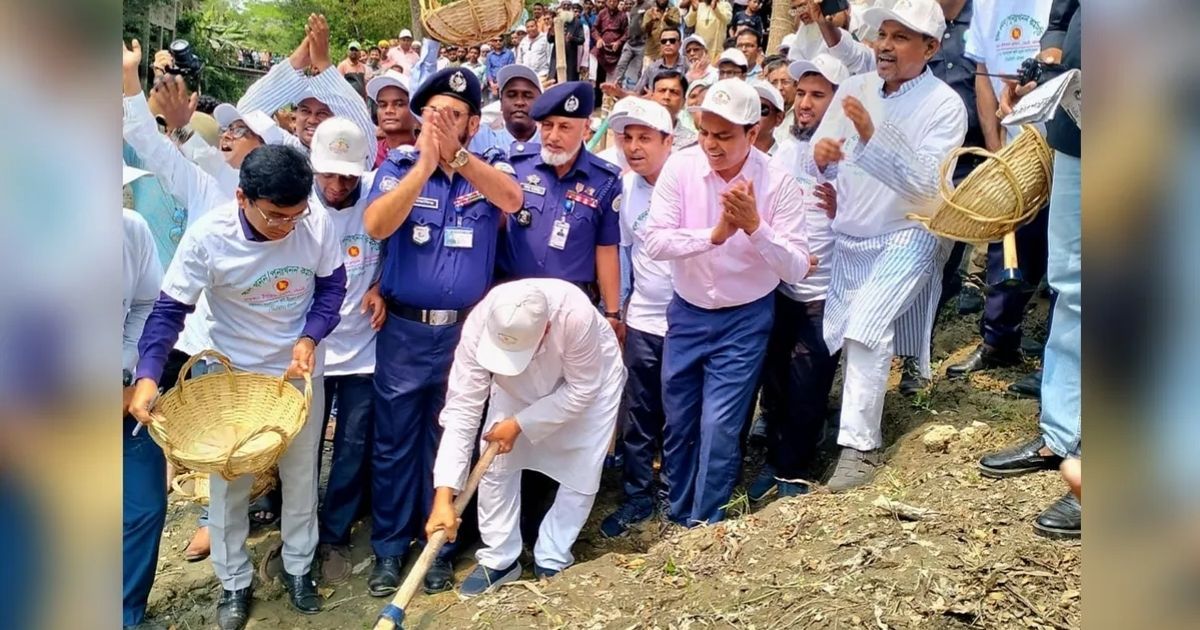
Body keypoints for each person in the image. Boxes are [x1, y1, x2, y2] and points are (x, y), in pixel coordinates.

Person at [128, 145, 346, 630]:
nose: (287, 226)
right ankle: (233, 583)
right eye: (275, 217)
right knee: (228, 485)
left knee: (300, 475)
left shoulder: (315, 224)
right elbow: (168, 312)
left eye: (296, 215)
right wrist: (147, 377)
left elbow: (333, 287)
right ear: (242, 197)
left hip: (298, 372)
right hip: (233, 379)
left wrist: (310, 337)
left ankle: (298, 567)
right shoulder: (209, 237)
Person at [361, 67, 523, 596]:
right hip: (405, 333)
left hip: (464, 339)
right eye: (432, 114)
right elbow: (377, 225)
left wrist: (457, 159)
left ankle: (439, 548)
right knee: (393, 443)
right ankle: (388, 549)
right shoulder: (401, 165)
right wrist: (425, 165)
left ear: (474, 124)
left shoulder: (488, 168)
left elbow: (513, 200)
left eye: (454, 115)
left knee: (447, 441)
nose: (441, 123)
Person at [804, 0, 967, 491]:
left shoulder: (945, 105)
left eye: (900, 37)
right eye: (883, 35)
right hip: (852, 233)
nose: (886, 46)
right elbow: (824, 157)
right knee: (853, 331)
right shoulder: (854, 87)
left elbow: (928, 187)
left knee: (866, 326)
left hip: (910, 230)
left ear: (931, 47)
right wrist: (825, 157)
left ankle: (858, 449)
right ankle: (871, 403)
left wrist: (872, 136)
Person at [642, 79, 812, 526]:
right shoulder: (680, 169)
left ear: (753, 134)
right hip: (687, 311)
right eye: (704, 132)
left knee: (719, 426)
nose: (711, 146)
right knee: (679, 421)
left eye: (724, 136)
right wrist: (713, 236)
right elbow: (654, 241)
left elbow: (796, 267)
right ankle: (676, 515)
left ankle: (705, 522)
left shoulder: (777, 182)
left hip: (745, 318)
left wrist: (756, 227)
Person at [424, 279, 626, 596]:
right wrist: (443, 496)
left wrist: (521, 423)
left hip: (588, 383)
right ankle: (500, 558)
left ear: (545, 329)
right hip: (514, 385)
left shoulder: (574, 315)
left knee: (581, 466)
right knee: (495, 461)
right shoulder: (483, 320)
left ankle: (553, 556)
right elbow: (462, 407)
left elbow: (582, 390)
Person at [977, 0, 1081, 540]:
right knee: (1072, 286)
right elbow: (1063, 15)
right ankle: (1062, 436)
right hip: (1079, 130)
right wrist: (1049, 63)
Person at [748, 54, 847, 503]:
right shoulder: (786, 150)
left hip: (824, 291)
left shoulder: (855, 154)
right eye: (802, 93)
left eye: (818, 95)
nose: (805, 103)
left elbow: (880, 218)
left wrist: (846, 210)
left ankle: (794, 469)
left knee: (809, 382)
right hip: (778, 285)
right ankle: (775, 457)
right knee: (778, 376)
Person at [948, 0, 1054, 396]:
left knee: (1061, 252)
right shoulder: (987, 4)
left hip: (1062, 143)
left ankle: (1055, 360)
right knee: (1006, 243)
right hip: (1012, 149)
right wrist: (996, 150)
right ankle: (999, 342)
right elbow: (982, 76)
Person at [303, 118, 386, 585]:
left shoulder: (379, 194)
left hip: (363, 350)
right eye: (328, 175)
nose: (336, 186)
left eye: (347, 176)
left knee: (352, 446)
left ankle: (334, 531)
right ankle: (301, 529)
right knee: (304, 446)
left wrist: (383, 285)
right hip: (311, 351)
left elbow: (398, 244)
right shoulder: (301, 207)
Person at [594, 99, 677, 536]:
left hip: (688, 320)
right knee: (639, 414)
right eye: (627, 137)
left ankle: (673, 495)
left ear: (669, 141)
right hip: (644, 317)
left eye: (645, 137)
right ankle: (637, 495)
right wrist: (620, 310)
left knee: (679, 413)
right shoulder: (626, 191)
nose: (634, 146)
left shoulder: (689, 183)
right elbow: (623, 252)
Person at [503, 81, 623, 319]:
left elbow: (606, 248)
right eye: (547, 126)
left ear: (586, 129)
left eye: (565, 127)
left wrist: (612, 313)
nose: (553, 136)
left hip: (570, 307)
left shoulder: (606, 180)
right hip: (513, 300)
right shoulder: (517, 164)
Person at [122, 166, 166, 630]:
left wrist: (130, 374)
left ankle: (125, 612)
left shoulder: (131, 232)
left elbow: (145, 304)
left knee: (144, 508)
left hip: (123, 393)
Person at [237, 15, 374, 160]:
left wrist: (324, 64)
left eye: (322, 113)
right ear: (294, 118)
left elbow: (363, 130)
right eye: (305, 111)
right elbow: (244, 115)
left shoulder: (347, 158)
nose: (312, 119)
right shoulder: (284, 146)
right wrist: (296, 61)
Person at [469, 65, 544, 155]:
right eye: (511, 95)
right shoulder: (481, 138)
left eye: (527, 96)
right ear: (501, 103)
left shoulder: (553, 145)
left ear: (540, 103)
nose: (519, 102)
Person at [366, 70, 419, 168]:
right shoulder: (370, 153)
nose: (389, 110)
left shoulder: (427, 153)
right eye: (382, 105)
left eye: (399, 104)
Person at [646, 70, 698, 149]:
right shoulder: (636, 132)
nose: (666, 97)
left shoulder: (691, 142)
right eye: (662, 91)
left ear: (683, 102)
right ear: (652, 96)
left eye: (674, 92)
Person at [617, 0, 654, 89]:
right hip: (630, 42)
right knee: (621, 64)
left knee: (639, 70)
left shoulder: (648, 6)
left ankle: (637, 90)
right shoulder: (633, 8)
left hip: (642, 43)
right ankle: (617, 86)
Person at [594, 0, 630, 91]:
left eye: (614, 1)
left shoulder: (623, 15)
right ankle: (597, 101)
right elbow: (594, 28)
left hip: (615, 51)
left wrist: (619, 42)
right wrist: (598, 39)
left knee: (613, 78)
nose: (612, 3)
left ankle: (609, 100)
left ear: (618, 2)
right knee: (598, 75)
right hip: (602, 49)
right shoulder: (602, 13)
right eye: (610, 1)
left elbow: (626, 33)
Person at [547, 4, 588, 82]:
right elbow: (549, 40)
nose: (566, 7)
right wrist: (552, 34)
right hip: (556, 58)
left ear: (571, 9)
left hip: (570, 60)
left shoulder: (577, 22)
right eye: (564, 6)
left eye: (568, 6)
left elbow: (581, 39)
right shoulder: (556, 20)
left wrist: (572, 38)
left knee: (569, 84)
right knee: (553, 83)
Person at [764, 56, 797, 147]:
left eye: (785, 82)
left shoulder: (801, 114)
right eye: (774, 83)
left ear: (796, 85)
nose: (779, 88)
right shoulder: (763, 113)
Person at [641, 0, 681, 69]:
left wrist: (667, 19)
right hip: (652, 54)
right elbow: (644, 30)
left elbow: (677, 24)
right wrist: (652, 20)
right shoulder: (649, 12)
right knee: (647, 78)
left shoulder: (674, 10)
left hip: (669, 55)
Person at [751, 80, 785, 154]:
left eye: (762, 109)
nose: (754, 114)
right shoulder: (732, 153)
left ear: (779, 118)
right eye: (750, 107)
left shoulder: (785, 159)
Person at [485, 35, 517, 101]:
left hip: (506, 84)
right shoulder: (489, 55)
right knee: (493, 107)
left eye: (500, 40)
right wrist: (492, 84)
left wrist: (499, 84)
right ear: (492, 42)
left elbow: (510, 69)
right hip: (493, 86)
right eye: (495, 41)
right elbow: (488, 70)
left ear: (503, 41)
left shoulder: (509, 53)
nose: (498, 42)